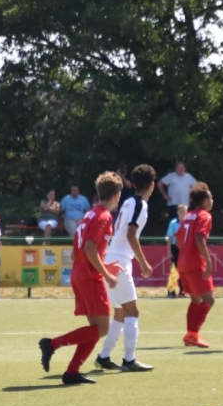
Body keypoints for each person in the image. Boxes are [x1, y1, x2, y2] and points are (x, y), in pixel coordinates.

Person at [39, 171, 123, 385]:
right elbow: (89, 248)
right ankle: (52, 344)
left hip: (80, 273)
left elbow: (84, 250)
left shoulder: (90, 214)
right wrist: (106, 274)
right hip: (90, 277)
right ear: (116, 195)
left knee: (94, 330)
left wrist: (105, 266)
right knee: (102, 329)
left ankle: (72, 372)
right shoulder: (104, 216)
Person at [94, 164, 157, 373]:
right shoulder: (140, 204)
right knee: (132, 311)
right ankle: (129, 359)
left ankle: (104, 356)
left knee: (120, 312)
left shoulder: (128, 201)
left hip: (112, 257)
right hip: (120, 261)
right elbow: (131, 234)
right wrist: (143, 262)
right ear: (152, 185)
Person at [179, 182, 215, 348]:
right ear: (205, 200)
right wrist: (208, 261)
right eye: (210, 197)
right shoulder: (204, 216)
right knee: (209, 299)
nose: (212, 200)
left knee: (195, 299)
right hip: (195, 263)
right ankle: (192, 335)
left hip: (183, 262)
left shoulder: (188, 216)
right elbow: (199, 238)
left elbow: (179, 239)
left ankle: (190, 335)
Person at [165, 205, 187, 298]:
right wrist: (169, 251)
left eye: (184, 212)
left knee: (183, 270)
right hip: (175, 248)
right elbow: (169, 237)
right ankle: (171, 291)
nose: (183, 214)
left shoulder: (188, 223)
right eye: (181, 212)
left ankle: (182, 291)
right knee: (174, 270)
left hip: (185, 248)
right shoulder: (173, 223)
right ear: (177, 213)